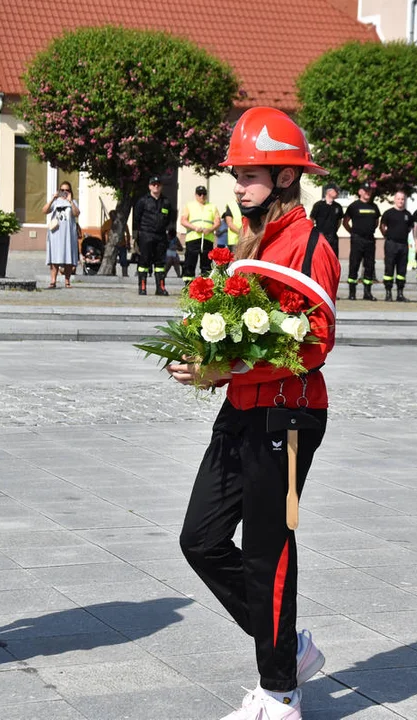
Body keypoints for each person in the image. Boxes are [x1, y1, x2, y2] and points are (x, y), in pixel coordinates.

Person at [170, 107, 340, 720]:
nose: (236, 185)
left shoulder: (311, 243)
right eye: (235, 173)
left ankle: (280, 693)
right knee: (201, 539)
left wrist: (228, 370)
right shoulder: (247, 238)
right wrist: (200, 356)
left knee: (270, 550)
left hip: (289, 420)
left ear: (286, 175)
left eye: (247, 174)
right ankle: (288, 651)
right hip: (242, 411)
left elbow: (315, 343)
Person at [132, 176, 175, 296]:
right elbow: (136, 218)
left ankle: (160, 288)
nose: (156, 186)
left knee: (160, 263)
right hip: (146, 235)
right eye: (153, 184)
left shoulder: (166, 202)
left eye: (158, 184)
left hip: (161, 236)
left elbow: (171, 219)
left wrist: (171, 233)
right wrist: (137, 235)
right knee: (144, 262)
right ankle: (142, 287)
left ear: (161, 186)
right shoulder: (143, 201)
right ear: (149, 186)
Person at [343, 184, 380, 300]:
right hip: (357, 239)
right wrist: (353, 233)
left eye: (369, 191)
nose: (367, 193)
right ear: (360, 192)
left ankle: (367, 293)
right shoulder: (353, 206)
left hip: (369, 240)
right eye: (365, 191)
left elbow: (376, 222)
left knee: (369, 266)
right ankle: (352, 293)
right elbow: (345, 222)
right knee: (354, 264)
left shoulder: (374, 206)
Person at [43, 180, 79, 288]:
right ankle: (53, 281)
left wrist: (70, 201)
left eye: (67, 190)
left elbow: (76, 213)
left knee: (68, 257)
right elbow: (44, 210)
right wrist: (53, 199)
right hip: (55, 234)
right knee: (55, 257)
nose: (64, 192)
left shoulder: (73, 201)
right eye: (62, 190)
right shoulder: (56, 202)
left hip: (68, 234)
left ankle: (67, 281)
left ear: (70, 191)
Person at [180, 185, 220, 283]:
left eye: (204, 194)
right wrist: (194, 228)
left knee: (206, 265)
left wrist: (210, 229)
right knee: (189, 263)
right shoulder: (189, 205)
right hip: (193, 238)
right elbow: (183, 221)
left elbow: (218, 222)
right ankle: (188, 286)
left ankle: (205, 287)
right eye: (199, 194)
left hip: (207, 239)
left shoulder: (212, 206)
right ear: (196, 195)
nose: (202, 196)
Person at [380, 190, 413, 302]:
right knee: (389, 269)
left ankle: (400, 294)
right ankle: (388, 293)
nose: (400, 201)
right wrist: (387, 236)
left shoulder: (408, 215)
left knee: (401, 271)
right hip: (391, 244)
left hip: (403, 245)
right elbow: (382, 226)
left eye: (402, 199)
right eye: (398, 199)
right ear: (395, 199)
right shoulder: (389, 213)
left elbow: (409, 228)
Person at [309, 183, 343, 258]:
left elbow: (339, 221)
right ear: (328, 192)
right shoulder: (319, 205)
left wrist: (334, 231)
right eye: (336, 191)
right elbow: (312, 219)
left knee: (333, 259)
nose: (337, 192)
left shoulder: (338, 206)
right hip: (321, 236)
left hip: (333, 237)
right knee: (320, 258)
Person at [101, 209, 131, 277]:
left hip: (122, 245)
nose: (112, 217)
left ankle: (125, 274)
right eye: (111, 216)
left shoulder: (122, 222)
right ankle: (112, 273)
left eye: (114, 215)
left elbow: (128, 233)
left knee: (123, 260)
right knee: (112, 260)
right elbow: (102, 232)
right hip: (112, 245)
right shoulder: (107, 223)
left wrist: (128, 243)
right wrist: (104, 242)